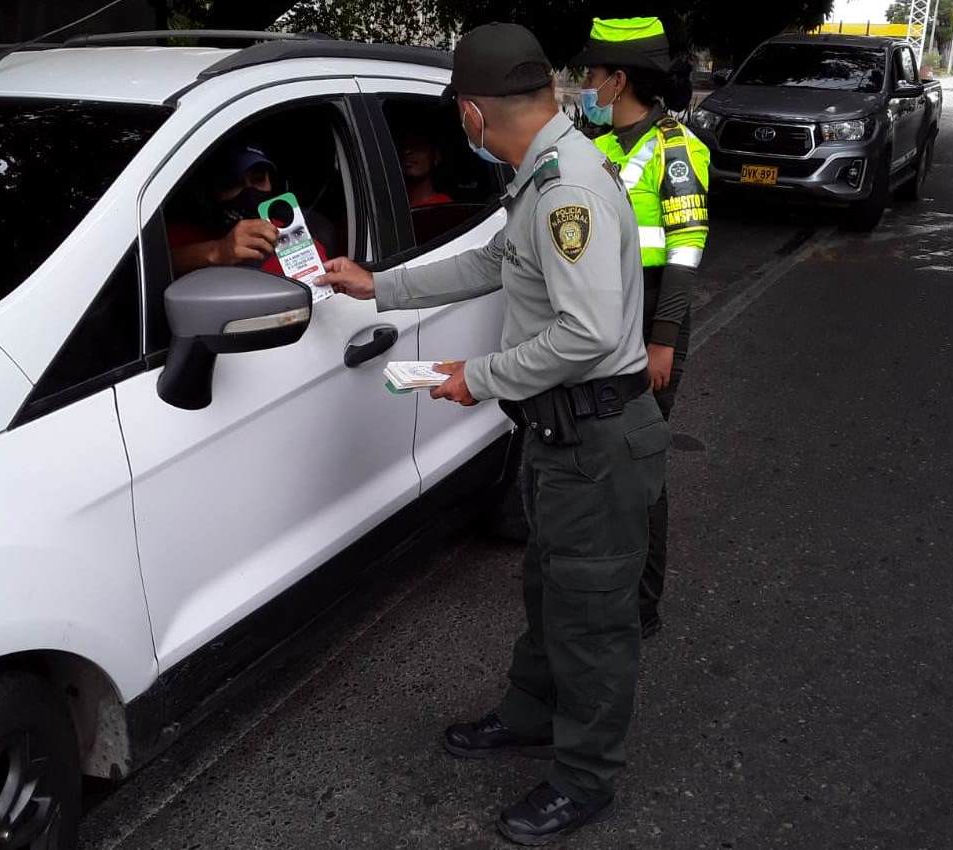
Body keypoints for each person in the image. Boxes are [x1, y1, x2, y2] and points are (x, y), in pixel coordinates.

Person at [315, 22, 669, 847]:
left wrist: (479, 376)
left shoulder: (568, 190)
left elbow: (586, 334)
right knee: (551, 593)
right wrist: (380, 286)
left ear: (472, 114)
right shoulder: (544, 172)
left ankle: (585, 779)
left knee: (590, 621)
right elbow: (493, 264)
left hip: (597, 440)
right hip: (562, 435)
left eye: (457, 115)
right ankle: (531, 715)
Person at [573, 16, 710, 639]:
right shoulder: (594, 146)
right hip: (604, 314)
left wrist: (663, 343)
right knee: (605, 451)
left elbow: (684, 256)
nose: (585, 84)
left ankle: (642, 604)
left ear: (618, 81)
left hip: (655, 313)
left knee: (643, 463)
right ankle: (602, 574)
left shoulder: (678, 149)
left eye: (592, 74)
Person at [167, 142, 327, 278]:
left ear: (272, 184)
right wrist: (219, 251)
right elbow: (160, 264)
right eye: (232, 183)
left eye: (258, 179)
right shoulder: (183, 235)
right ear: (212, 191)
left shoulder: (292, 237)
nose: (249, 190)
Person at [398, 129, 453, 207]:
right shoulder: (391, 202)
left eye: (418, 145)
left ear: (436, 156)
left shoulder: (443, 205)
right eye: (404, 146)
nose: (407, 151)